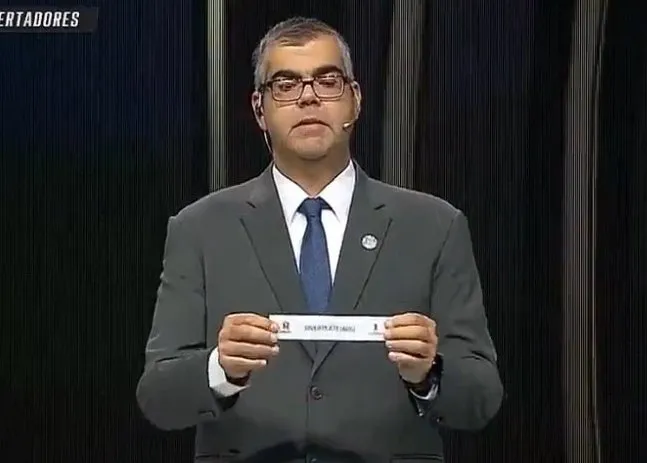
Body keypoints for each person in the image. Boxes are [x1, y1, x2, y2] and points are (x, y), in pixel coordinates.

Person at [136, 16, 503, 463]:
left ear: (355, 100)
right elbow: (158, 396)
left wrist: (429, 374)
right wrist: (220, 369)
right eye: (286, 84)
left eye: (328, 81)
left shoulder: (435, 226)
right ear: (259, 110)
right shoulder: (199, 228)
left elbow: (482, 396)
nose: (308, 96)